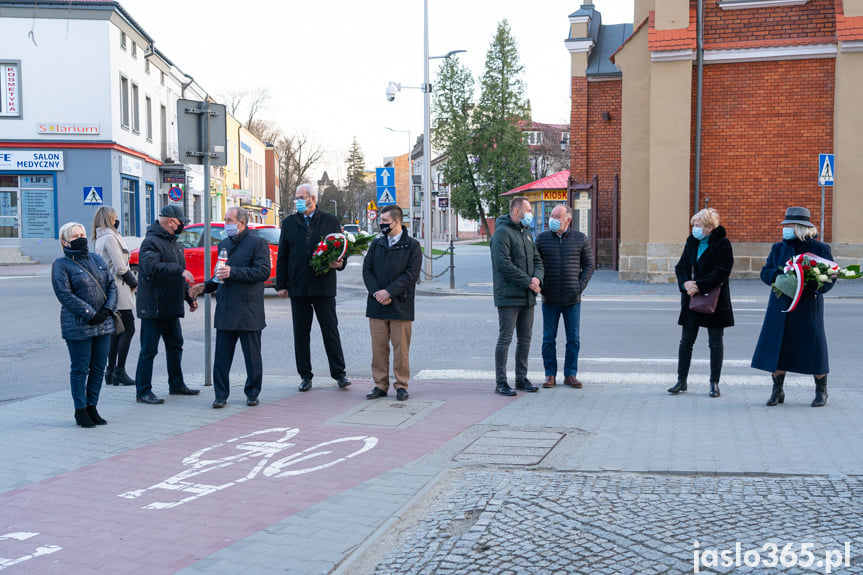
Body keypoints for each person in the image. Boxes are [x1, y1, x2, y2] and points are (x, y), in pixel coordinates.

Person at [752, 207, 833, 407]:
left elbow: (830, 279)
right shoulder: (778, 248)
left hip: (806, 306)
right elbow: (765, 271)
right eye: (785, 225)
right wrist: (777, 277)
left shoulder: (820, 249)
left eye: (788, 226)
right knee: (778, 347)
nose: (785, 229)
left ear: (800, 228)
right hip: (780, 305)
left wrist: (811, 281)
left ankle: (821, 390)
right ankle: (777, 390)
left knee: (813, 347)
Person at [190, 207, 271, 408]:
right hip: (226, 308)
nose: (226, 224)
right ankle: (220, 395)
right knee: (221, 358)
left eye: (229, 220)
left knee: (252, 357)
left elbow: (263, 272)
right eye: (225, 220)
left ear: (242, 223)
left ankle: (252, 393)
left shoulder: (257, 243)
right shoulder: (224, 244)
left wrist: (233, 272)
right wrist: (205, 286)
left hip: (248, 310)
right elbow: (220, 274)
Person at [276, 183, 351, 392]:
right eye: (297, 197)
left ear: (313, 199)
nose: (298, 201)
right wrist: (281, 284)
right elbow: (283, 255)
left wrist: (340, 263)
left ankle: (339, 374)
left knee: (330, 331)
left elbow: (340, 250)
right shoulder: (289, 223)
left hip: (323, 285)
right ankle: (305, 375)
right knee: (301, 333)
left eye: (302, 197)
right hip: (298, 286)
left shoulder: (330, 220)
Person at [51, 222, 117, 428]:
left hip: (103, 322)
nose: (80, 238)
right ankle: (80, 410)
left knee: (98, 367)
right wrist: (90, 314)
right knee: (80, 369)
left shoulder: (97, 259)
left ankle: (92, 407)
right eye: (74, 236)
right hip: (78, 324)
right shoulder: (61, 264)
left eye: (81, 234)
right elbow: (65, 294)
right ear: (64, 242)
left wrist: (107, 310)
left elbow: (111, 285)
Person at [134, 204, 200, 404]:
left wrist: (189, 298)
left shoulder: (174, 243)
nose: (182, 226)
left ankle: (176, 384)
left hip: (170, 306)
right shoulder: (151, 242)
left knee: (175, 346)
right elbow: (150, 267)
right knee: (148, 350)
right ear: (171, 222)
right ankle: (143, 391)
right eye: (181, 223)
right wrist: (177, 270)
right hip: (153, 307)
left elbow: (177, 276)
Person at [669, 208, 734, 398]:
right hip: (691, 298)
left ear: (708, 227)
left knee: (715, 343)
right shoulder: (692, 242)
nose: (694, 229)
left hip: (714, 299)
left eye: (697, 225)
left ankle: (714, 383)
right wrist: (685, 284)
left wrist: (699, 285)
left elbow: (723, 270)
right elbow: (681, 266)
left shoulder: (723, 244)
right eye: (694, 225)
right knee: (686, 342)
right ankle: (681, 381)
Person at [362, 205, 422, 401]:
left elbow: (411, 275)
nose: (382, 224)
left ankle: (401, 385)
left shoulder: (411, 245)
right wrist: (377, 293)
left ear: (397, 222)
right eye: (381, 221)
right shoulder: (377, 244)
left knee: (400, 349)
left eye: (385, 221)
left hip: (400, 304)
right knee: (378, 348)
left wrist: (389, 292)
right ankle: (380, 385)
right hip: (377, 304)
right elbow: (367, 271)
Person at [534, 204, 595, 389]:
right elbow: (537, 264)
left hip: (572, 299)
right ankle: (549, 374)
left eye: (557, 216)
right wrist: (541, 286)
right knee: (548, 339)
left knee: (573, 339)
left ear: (568, 219)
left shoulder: (580, 238)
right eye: (552, 215)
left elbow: (589, 265)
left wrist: (578, 287)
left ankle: (570, 374)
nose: (552, 219)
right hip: (550, 297)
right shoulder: (542, 239)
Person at [490, 196, 544, 396]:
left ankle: (521, 378)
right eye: (528, 211)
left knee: (525, 339)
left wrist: (537, 279)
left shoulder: (526, 233)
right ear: (516, 212)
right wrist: (527, 281)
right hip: (509, 295)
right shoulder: (502, 233)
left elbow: (537, 260)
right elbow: (503, 264)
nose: (530, 215)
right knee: (506, 338)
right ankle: (501, 382)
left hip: (527, 295)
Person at [92, 206, 137, 387]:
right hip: (119, 287)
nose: (117, 220)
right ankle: (119, 371)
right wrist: (134, 282)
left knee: (116, 331)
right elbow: (120, 266)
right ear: (109, 219)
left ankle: (111, 371)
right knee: (128, 329)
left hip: (110, 288)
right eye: (115, 217)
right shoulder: (110, 237)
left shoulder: (100, 237)